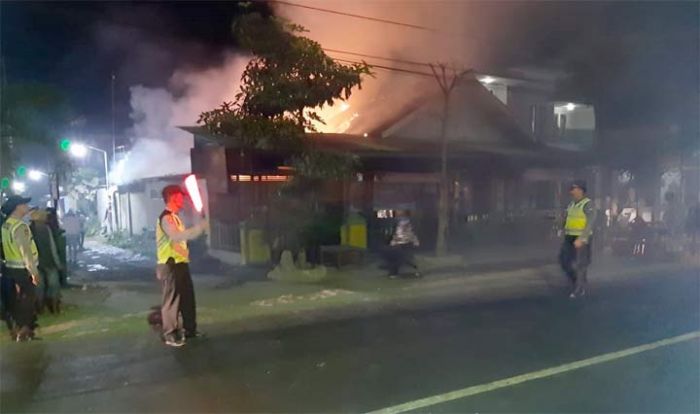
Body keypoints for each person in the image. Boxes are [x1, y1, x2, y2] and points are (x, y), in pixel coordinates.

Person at [155, 185, 209, 347]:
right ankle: (170, 334)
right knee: (172, 300)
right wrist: (199, 228)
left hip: (181, 264)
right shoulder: (166, 218)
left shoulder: (176, 217)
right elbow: (177, 236)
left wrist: (199, 229)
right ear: (172, 198)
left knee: (187, 298)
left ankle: (190, 330)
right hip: (169, 265)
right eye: (180, 197)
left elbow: (183, 239)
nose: (182, 200)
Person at [1, 196, 40, 341]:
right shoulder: (20, 227)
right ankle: (23, 332)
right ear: (17, 207)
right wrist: (34, 272)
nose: (27, 207)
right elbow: (25, 252)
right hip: (23, 271)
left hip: (10, 269)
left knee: (17, 301)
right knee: (27, 301)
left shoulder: (6, 225)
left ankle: (20, 329)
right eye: (24, 204)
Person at [559, 180, 597, 298]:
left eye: (574, 188)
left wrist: (582, 238)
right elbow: (567, 218)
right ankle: (578, 281)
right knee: (564, 261)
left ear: (581, 190)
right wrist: (562, 228)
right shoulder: (571, 204)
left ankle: (579, 289)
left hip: (582, 238)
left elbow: (590, 222)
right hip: (569, 237)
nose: (571, 190)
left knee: (581, 264)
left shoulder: (587, 204)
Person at [29, 209, 63, 314]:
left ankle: (40, 307)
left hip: (36, 263)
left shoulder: (29, 230)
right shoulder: (46, 229)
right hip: (49, 262)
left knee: (39, 286)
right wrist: (57, 262)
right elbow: (52, 247)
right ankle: (53, 306)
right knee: (53, 285)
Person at [384, 209, 421, 279]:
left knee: (401, 258)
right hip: (399, 243)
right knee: (398, 258)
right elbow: (397, 234)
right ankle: (393, 273)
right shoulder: (397, 223)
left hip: (404, 242)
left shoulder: (406, 223)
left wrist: (415, 241)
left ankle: (394, 273)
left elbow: (410, 233)